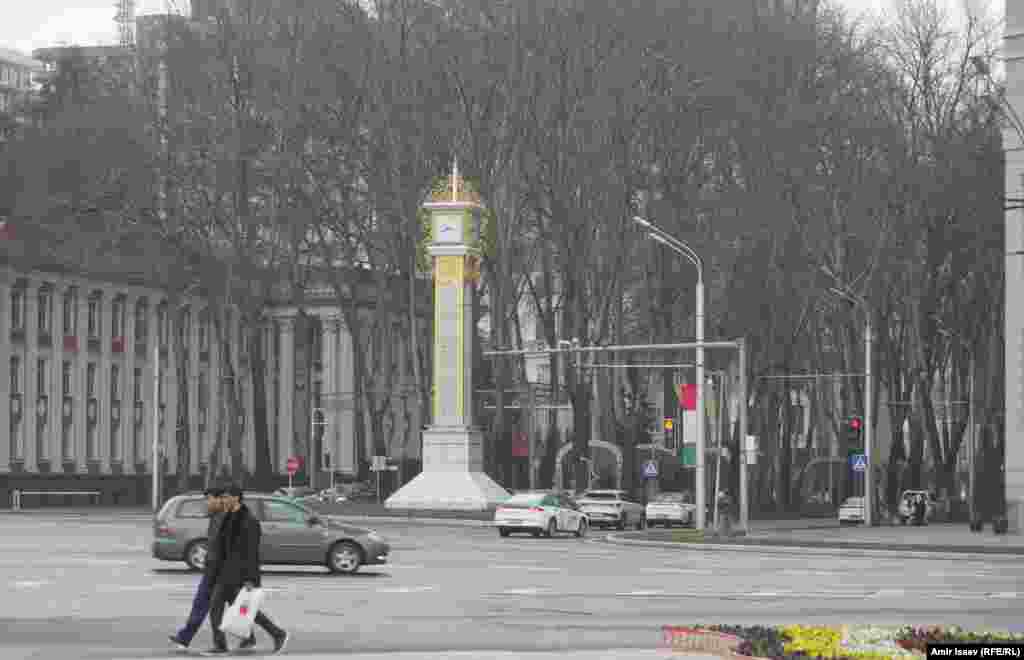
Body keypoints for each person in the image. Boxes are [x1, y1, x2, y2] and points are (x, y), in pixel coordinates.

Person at [203, 482, 288, 656]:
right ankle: (272, 634)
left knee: (225, 607)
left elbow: (251, 554)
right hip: (224, 572)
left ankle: (222, 645)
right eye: (222, 497)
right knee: (241, 609)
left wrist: (251, 579)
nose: (223, 500)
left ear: (236, 498)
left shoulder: (249, 521)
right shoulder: (228, 517)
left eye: (226, 497)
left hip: (239, 574)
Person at [168, 484, 256, 652]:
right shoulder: (217, 516)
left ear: (219, 499)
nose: (206, 503)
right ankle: (248, 636)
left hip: (218, 572)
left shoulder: (226, 518)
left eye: (208, 500)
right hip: (216, 569)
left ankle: (194, 639)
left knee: (205, 604)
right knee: (232, 605)